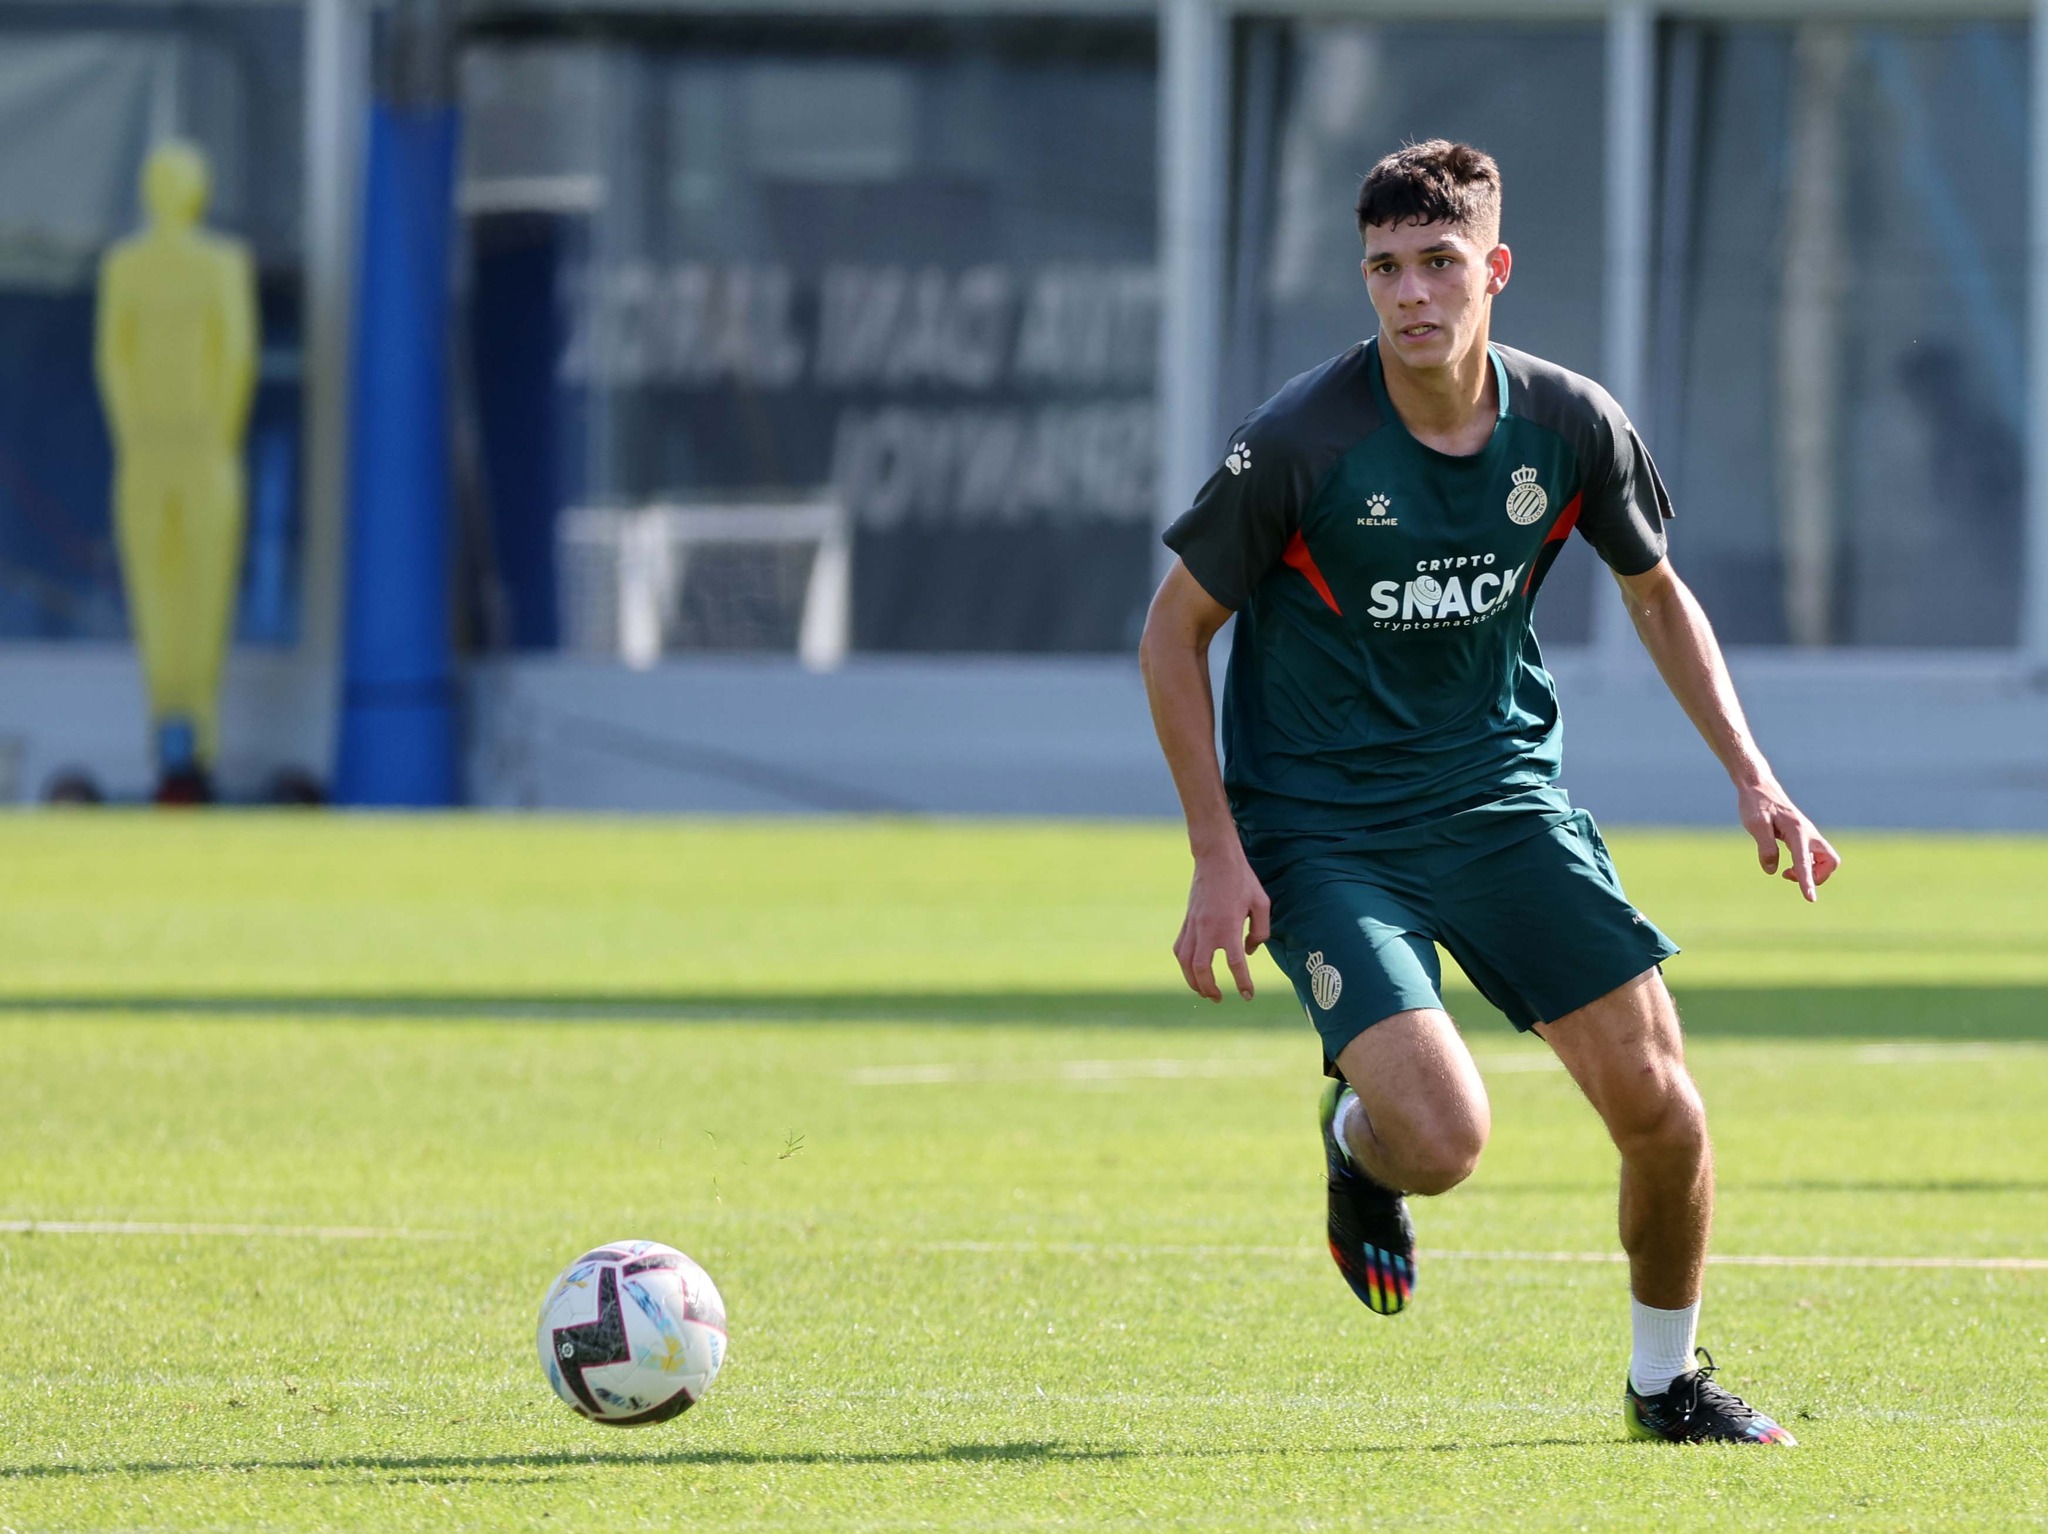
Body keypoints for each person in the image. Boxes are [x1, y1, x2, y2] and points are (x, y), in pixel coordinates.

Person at [1138, 139, 1838, 1445]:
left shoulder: (1569, 427)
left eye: (1439, 263)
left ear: (1494, 269)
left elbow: (1654, 593)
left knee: (1666, 1114)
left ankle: (1664, 1384)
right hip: (1322, 829)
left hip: (1502, 804)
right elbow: (1169, 635)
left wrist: (1756, 778)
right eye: (1385, 268)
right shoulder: (1302, 441)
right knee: (1445, 1139)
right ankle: (1360, 1142)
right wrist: (1217, 850)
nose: (1411, 294)